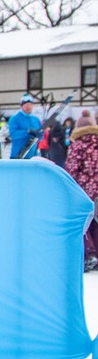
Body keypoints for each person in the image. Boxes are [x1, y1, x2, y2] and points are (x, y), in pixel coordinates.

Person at [65, 109, 98, 271]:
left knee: (85, 222)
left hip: (84, 190)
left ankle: (89, 254)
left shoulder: (78, 146)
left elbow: (72, 170)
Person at [8, 94, 42, 159]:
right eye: (26, 105)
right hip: (18, 155)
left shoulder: (36, 119)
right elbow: (13, 134)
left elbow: (40, 136)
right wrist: (27, 132)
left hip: (33, 156)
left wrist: (41, 135)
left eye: (30, 104)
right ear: (22, 106)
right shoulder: (15, 119)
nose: (28, 106)